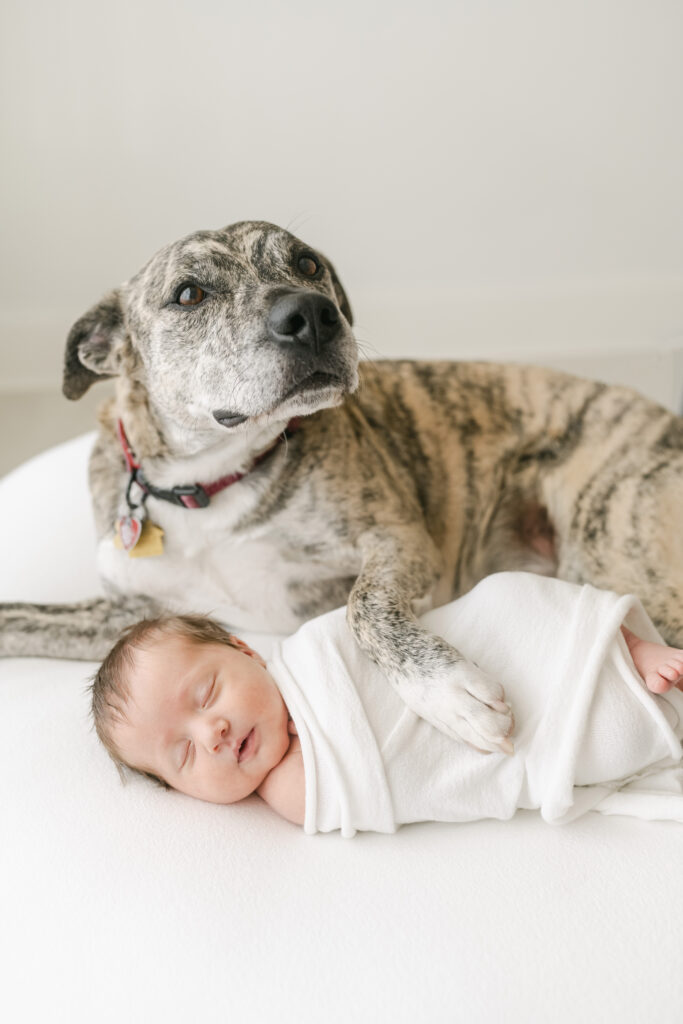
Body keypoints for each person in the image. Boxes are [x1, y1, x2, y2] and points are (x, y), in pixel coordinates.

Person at [91, 572, 683, 837]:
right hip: (545, 743)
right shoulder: (291, 793)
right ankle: (634, 688)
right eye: (185, 754)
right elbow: (358, 782)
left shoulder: (311, 651)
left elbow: (374, 634)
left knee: (506, 601)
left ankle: (626, 645)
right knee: (608, 739)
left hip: (500, 641)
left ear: (246, 649)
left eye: (206, 694)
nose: (213, 732)